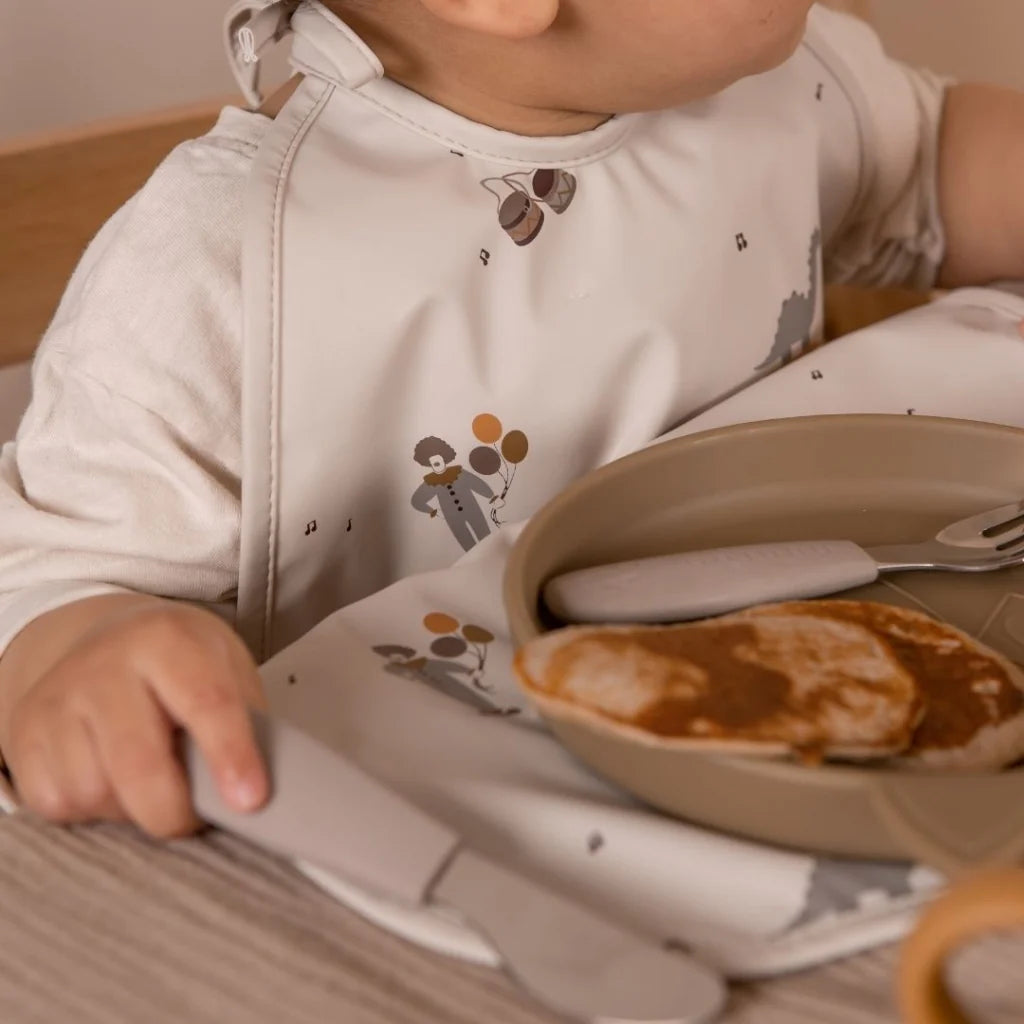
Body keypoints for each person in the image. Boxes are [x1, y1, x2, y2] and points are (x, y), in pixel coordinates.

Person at [0, 0, 1023, 840]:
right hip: (438, 830)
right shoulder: (222, 262)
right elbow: (45, 583)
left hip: (795, 714)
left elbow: (929, 165)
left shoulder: (779, 79)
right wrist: (91, 644)